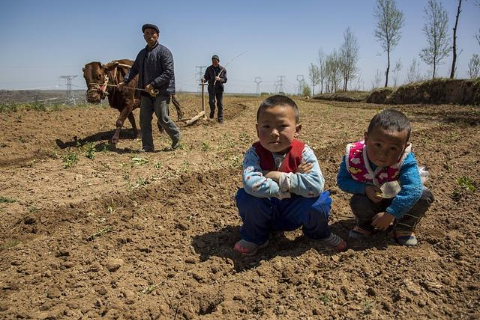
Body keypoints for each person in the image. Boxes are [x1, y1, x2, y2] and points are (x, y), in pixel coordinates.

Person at [234, 95, 346, 256]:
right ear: (257, 130)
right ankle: (255, 238)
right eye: (266, 126)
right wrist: (295, 181)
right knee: (246, 197)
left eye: (282, 126)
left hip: (294, 210)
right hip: (267, 209)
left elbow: (315, 186)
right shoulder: (254, 153)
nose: (273, 133)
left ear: (297, 129)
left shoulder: (304, 152)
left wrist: (276, 175)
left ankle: (318, 234)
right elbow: (252, 185)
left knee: (320, 202)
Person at [337, 109, 434, 246]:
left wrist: (391, 214)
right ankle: (366, 225)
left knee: (423, 195)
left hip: (399, 199)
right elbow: (342, 181)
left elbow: (413, 189)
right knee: (358, 200)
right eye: (378, 145)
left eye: (393, 148)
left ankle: (403, 228)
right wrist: (364, 189)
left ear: (404, 147)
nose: (383, 154)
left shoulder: (405, 159)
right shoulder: (353, 156)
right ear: (366, 138)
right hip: (372, 199)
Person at [118, 23, 181, 151]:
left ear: (157, 35)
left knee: (163, 118)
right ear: (143, 36)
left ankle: (176, 137)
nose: (149, 36)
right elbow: (133, 70)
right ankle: (147, 146)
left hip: (161, 92)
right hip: (145, 94)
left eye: (152, 33)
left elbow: (169, 72)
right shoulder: (141, 54)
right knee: (144, 120)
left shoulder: (164, 52)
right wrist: (125, 81)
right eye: (147, 33)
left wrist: (153, 84)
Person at [201, 55, 227, 123]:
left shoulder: (222, 69)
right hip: (211, 88)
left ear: (218, 61)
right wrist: (204, 79)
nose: (214, 62)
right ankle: (212, 112)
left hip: (219, 89)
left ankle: (220, 119)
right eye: (213, 61)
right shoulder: (209, 69)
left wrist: (220, 79)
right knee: (211, 102)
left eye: (215, 61)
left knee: (220, 104)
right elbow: (206, 77)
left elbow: (225, 79)